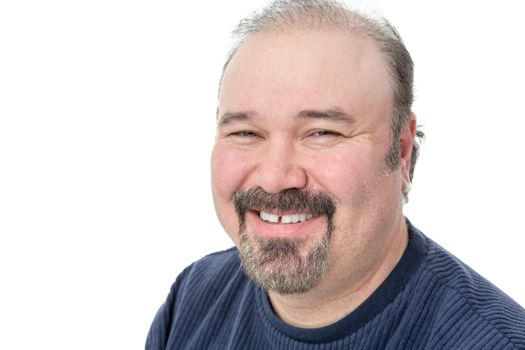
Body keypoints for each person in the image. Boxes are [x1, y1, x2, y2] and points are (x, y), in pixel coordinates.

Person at [146, 0, 525, 348]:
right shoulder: (194, 298)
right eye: (246, 133)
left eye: (322, 133)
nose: (276, 178)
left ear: (403, 149)